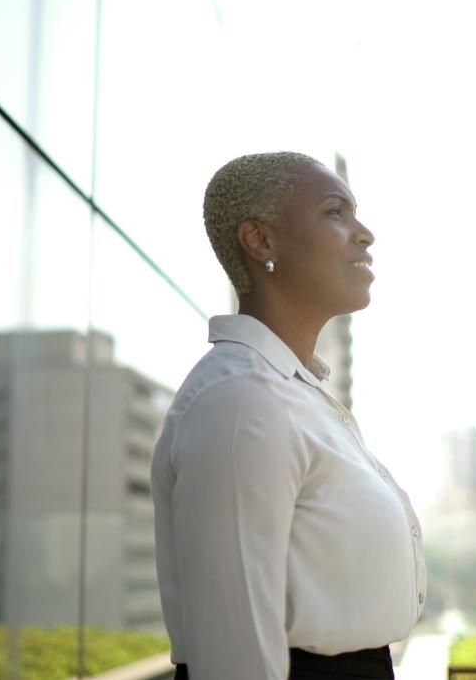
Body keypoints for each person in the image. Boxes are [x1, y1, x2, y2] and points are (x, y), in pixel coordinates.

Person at [151, 152, 426, 680]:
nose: (364, 233)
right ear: (262, 242)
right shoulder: (241, 399)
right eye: (334, 212)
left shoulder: (293, 393)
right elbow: (233, 659)